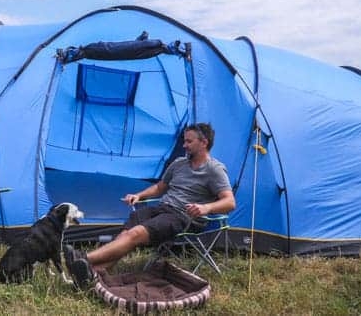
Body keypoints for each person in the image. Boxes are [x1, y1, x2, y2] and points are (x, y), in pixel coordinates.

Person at [64, 122, 235, 289]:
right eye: (184, 140)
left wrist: (206, 208)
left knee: (135, 234)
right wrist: (139, 195)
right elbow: (160, 187)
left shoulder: (215, 170)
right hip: (161, 208)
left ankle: (83, 258)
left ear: (204, 143)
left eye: (189, 141)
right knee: (125, 234)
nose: (184, 145)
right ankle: (92, 274)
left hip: (182, 216)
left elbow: (229, 202)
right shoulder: (179, 163)